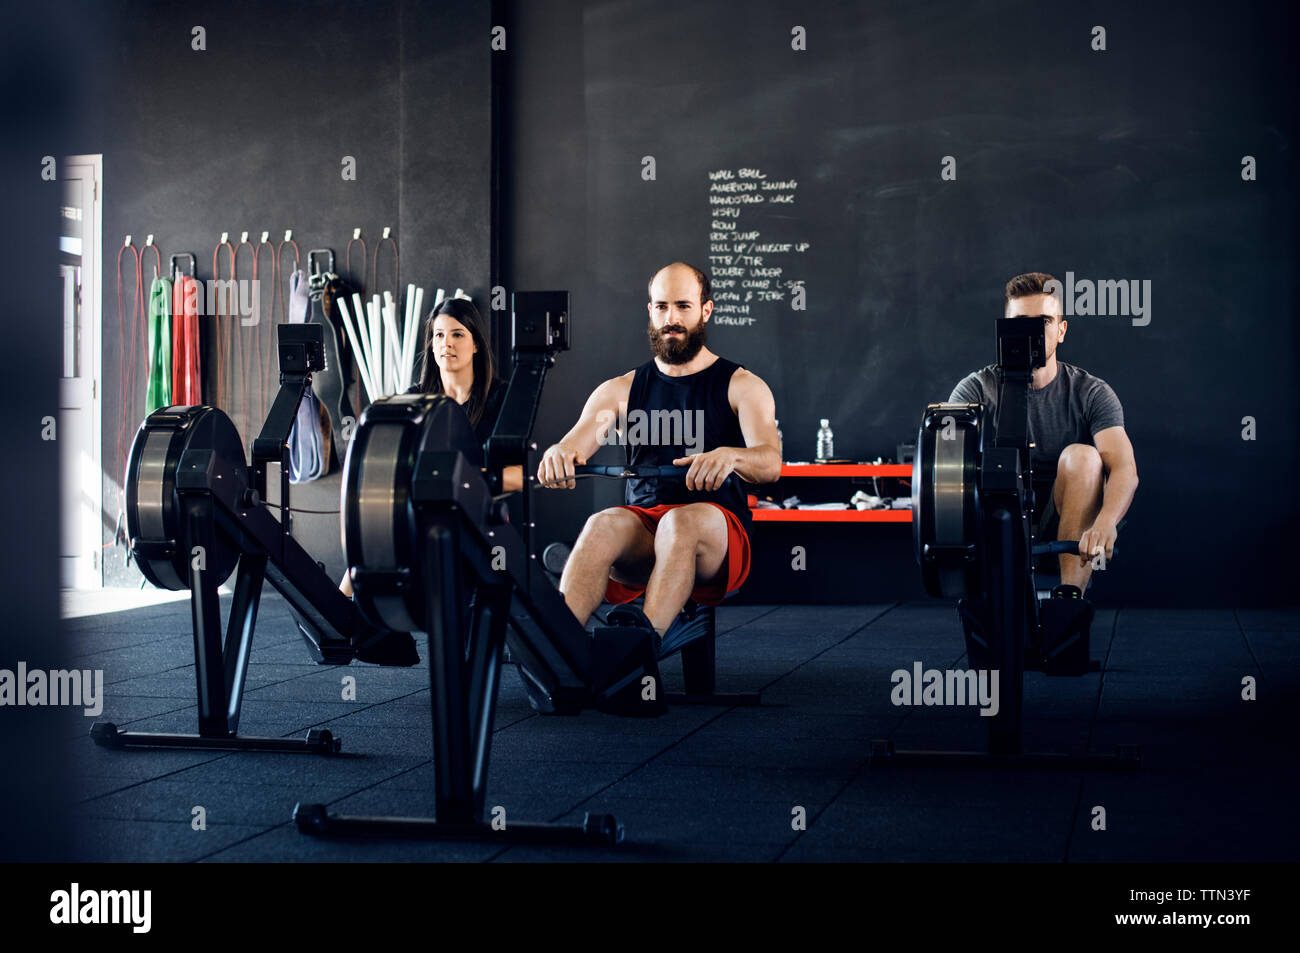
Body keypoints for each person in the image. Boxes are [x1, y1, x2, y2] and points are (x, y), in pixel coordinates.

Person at [537, 261, 781, 651]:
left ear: (706, 310)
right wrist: (558, 453)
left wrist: (731, 457)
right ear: (650, 311)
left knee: (679, 524)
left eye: (683, 306)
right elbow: (575, 443)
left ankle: (636, 652)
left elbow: (770, 463)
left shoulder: (742, 386)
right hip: (647, 529)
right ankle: (555, 652)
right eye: (663, 306)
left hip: (717, 533)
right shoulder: (620, 390)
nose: (672, 318)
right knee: (601, 524)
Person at [948, 271, 1139, 604]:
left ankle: (1069, 600)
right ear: (1004, 330)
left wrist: (1107, 521)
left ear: (1061, 330)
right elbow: (947, 463)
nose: (1032, 334)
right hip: (997, 520)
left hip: (1066, 523)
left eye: (1044, 322)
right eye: (1021, 323)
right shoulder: (976, 389)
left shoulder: (1091, 392)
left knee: (1083, 456)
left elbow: (1124, 468)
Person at [340, 295, 520, 597]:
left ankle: (346, 597)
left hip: (481, 517)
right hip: (422, 512)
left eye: (457, 334)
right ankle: (348, 606)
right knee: (380, 525)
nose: (445, 343)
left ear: (476, 344)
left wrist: (462, 482)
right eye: (438, 335)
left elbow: (521, 474)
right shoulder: (414, 400)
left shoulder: (501, 399)